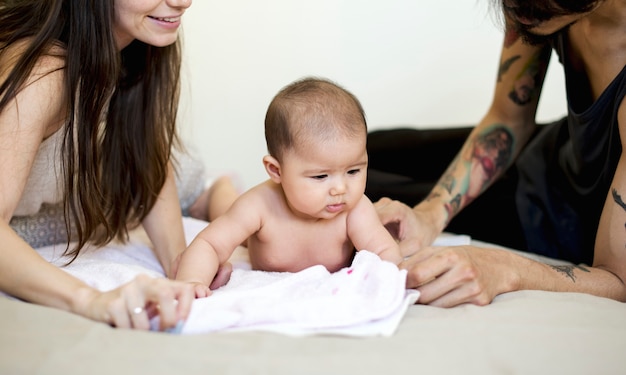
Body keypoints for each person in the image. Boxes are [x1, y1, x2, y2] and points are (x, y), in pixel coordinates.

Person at [367, 0, 626, 307]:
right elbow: (508, 118)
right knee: (360, 149)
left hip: (555, 222)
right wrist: (429, 215)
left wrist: (505, 268)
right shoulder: (537, 7)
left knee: (355, 189)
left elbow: (618, 279)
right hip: (551, 155)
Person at [0, 0, 238, 330]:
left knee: (190, 182)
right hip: (60, 187)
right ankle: (214, 189)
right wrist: (91, 300)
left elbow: (146, 156)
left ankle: (215, 188)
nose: (183, 2)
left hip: (84, 174)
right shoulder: (41, 74)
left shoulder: (135, 43)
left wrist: (181, 262)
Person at [175, 77, 403, 297]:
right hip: (256, 226)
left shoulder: (354, 210)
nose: (340, 189)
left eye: (353, 171)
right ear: (276, 170)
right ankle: (219, 186)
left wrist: (391, 280)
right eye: (321, 176)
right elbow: (210, 244)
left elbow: (385, 254)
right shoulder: (259, 205)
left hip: (262, 230)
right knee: (226, 211)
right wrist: (192, 281)